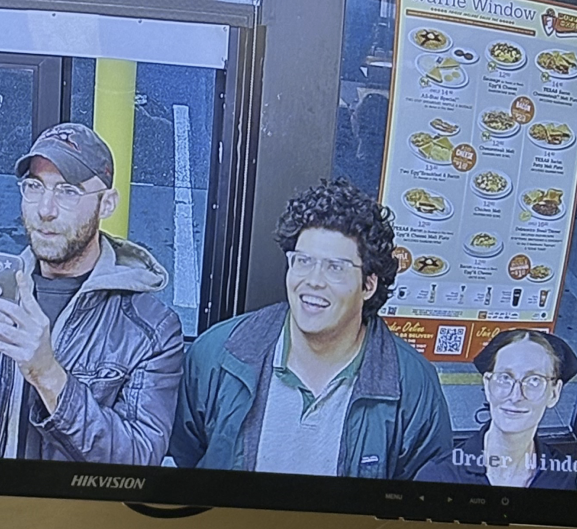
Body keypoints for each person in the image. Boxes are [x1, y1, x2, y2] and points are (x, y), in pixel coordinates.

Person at [0, 122, 184, 464]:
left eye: (68, 191)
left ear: (107, 204)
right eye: (34, 187)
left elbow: (137, 459)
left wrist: (48, 375)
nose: (45, 209)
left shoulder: (150, 331)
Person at [171, 177, 451, 479]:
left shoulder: (411, 385)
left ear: (368, 285)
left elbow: (424, 491)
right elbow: (188, 462)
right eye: (303, 261)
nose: (314, 281)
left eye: (335, 267)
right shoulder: (217, 355)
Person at [416, 329, 577, 488]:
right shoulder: (439, 476)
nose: (516, 396)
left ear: (554, 393)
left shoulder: (561, 477)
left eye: (534, 380)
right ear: (488, 386)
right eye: (505, 378)